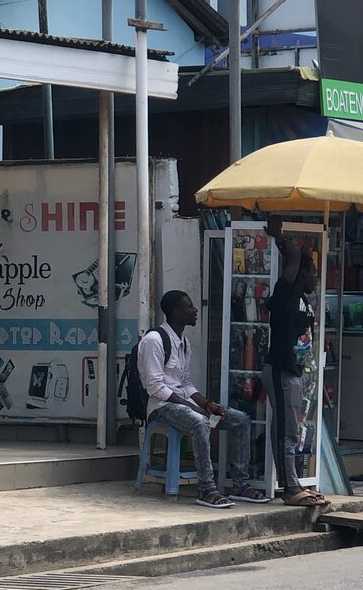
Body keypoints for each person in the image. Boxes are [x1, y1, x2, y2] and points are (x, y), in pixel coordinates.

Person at [137, 289, 268, 509]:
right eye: (190, 307)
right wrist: (193, 409)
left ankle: (240, 484)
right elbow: (155, 387)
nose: (195, 310)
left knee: (240, 419)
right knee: (200, 422)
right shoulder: (154, 340)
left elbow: (186, 383)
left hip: (181, 403)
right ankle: (206, 489)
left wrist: (207, 404)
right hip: (160, 406)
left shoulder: (184, 343)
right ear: (176, 312)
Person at [263, 217, 327, 506]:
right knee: (286, 430)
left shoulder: (302, 299)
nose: (315, 279)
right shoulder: (286, 292)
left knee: (290, 429)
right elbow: (294, 256)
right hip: (281, 369)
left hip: (295, 372)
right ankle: (290, 488)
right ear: (301, 275)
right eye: (313, 274)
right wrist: (279, 237)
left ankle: (294, 482)